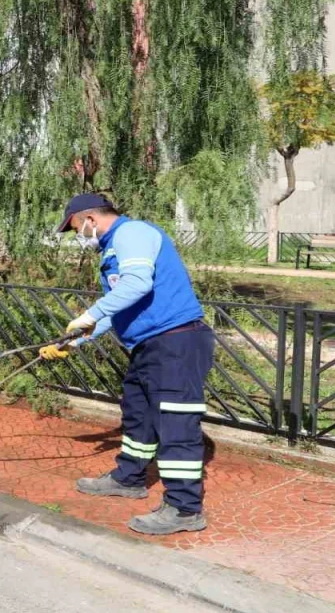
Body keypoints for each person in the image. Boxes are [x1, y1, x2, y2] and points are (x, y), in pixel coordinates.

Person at [39, 194, 213, 535]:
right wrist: (74, 341)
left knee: (176, 425)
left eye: (75, 228)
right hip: (150, 345)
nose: (78, 236)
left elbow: (137, 284)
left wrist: (89, 314)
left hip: (176, 341)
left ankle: (184, 508)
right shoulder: (113, 248)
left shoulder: (132, 233)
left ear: (90, 219)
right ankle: (129, 478)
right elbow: (119, 308)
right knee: (139, 415)